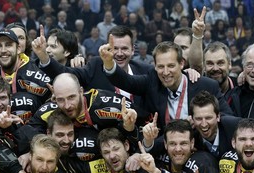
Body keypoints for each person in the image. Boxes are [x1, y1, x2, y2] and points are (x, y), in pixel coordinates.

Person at [100, 39, 233, 130]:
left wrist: (202, 121)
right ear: (155, 66)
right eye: (161, 66)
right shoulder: (152, 81)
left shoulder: (206, 86)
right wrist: (109, 64)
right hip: (163, 152)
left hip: (198, 151)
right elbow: (126, 81)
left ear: (181, 63)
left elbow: (228, 118)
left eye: (170, 66)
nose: (166, 72)